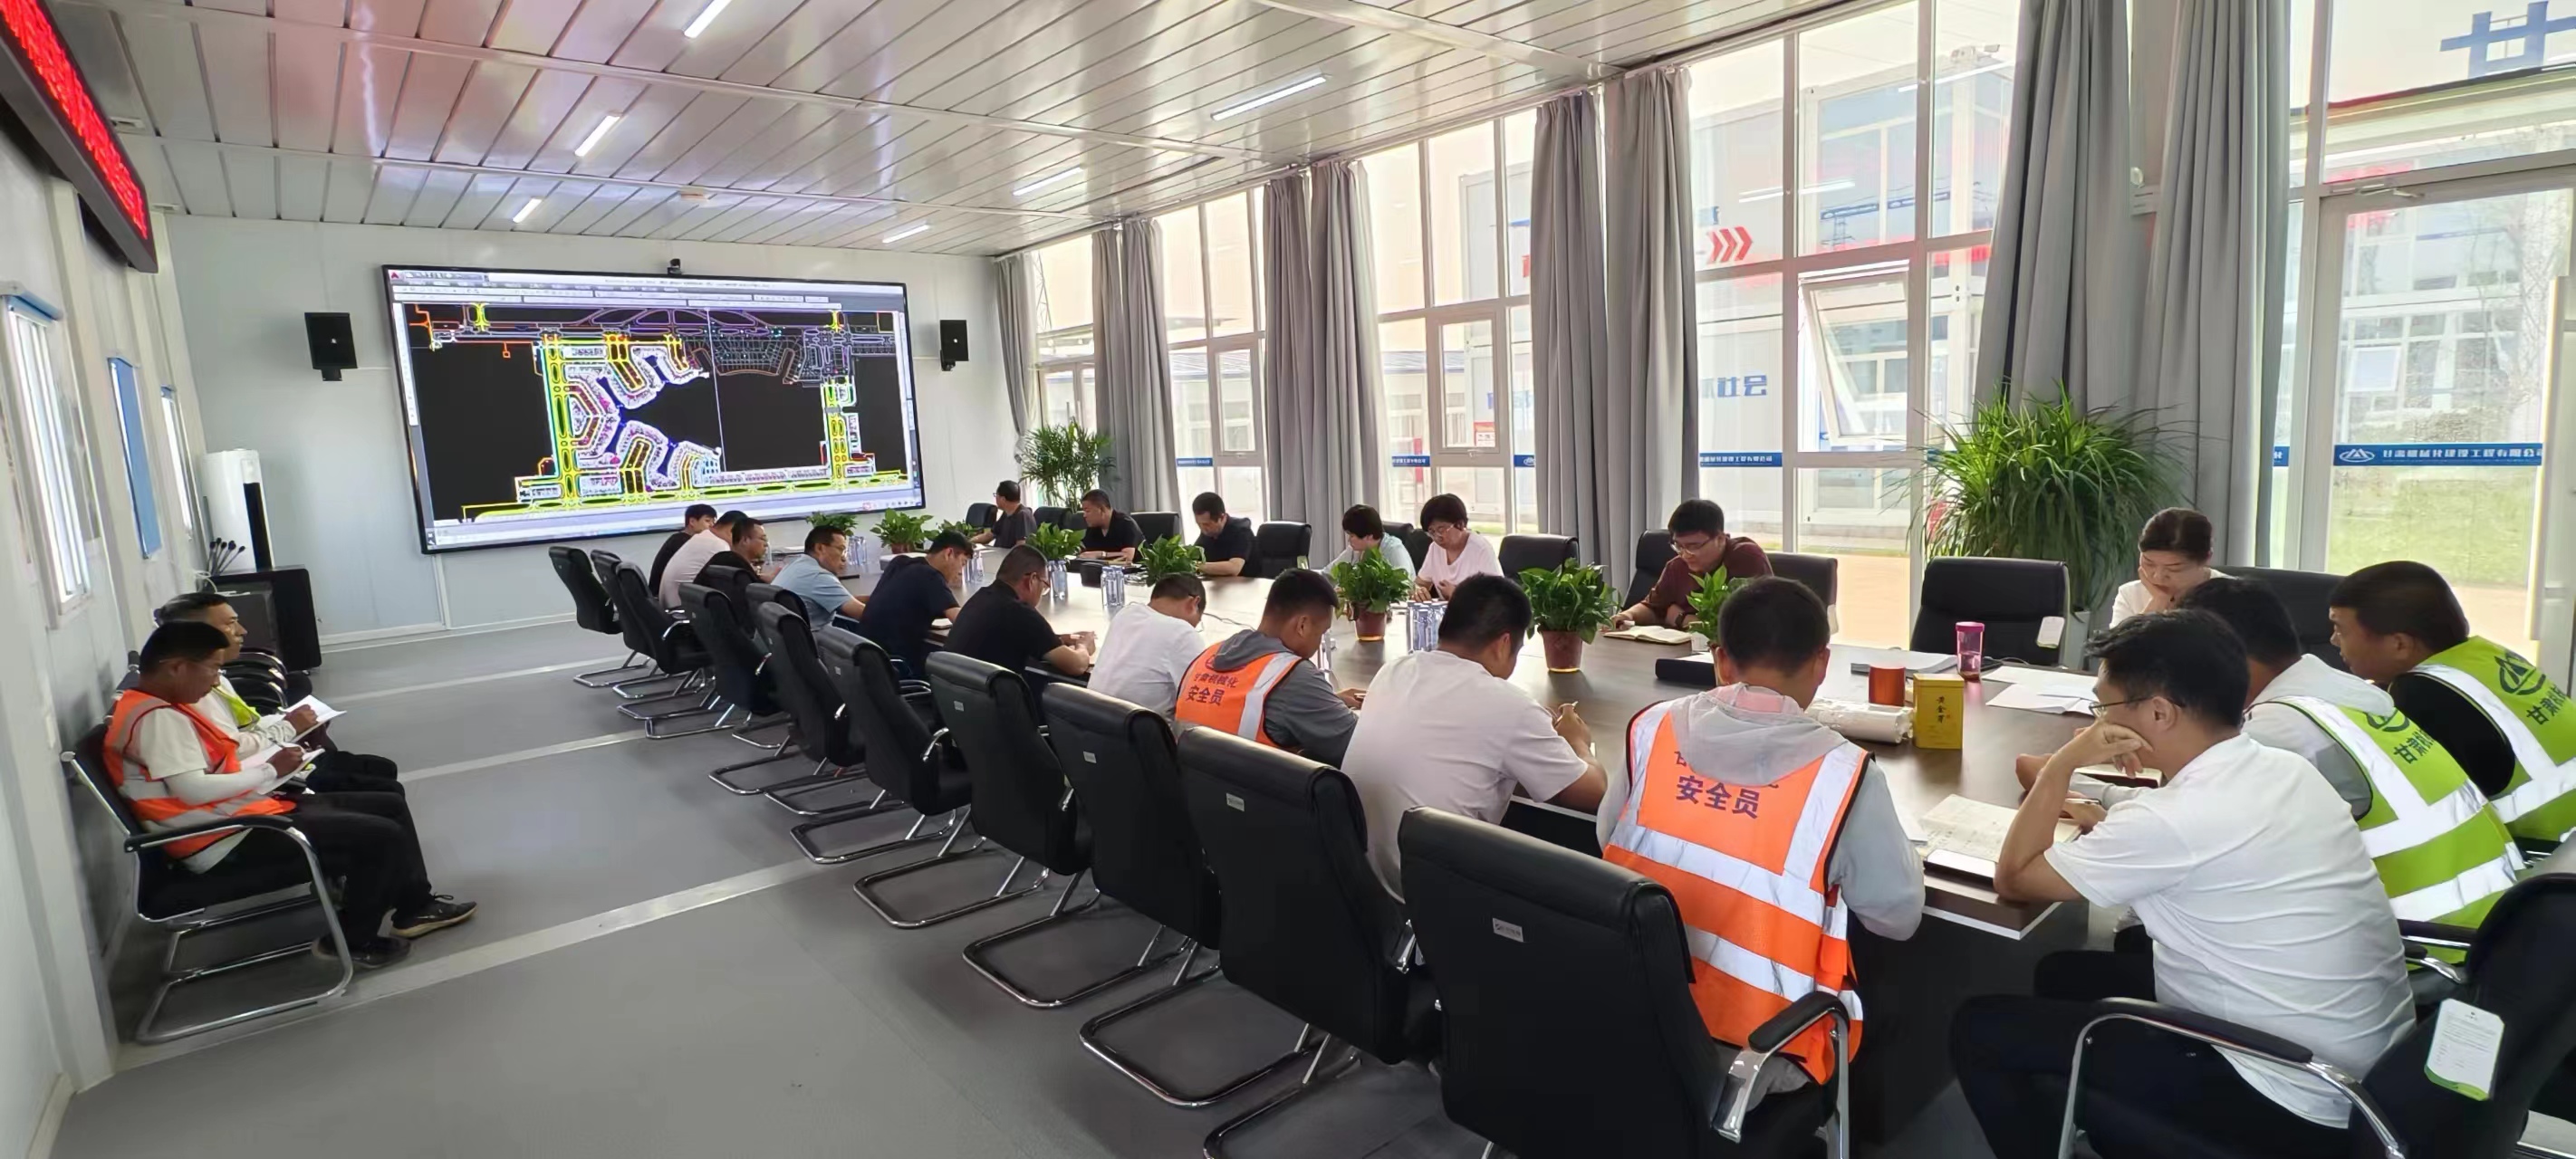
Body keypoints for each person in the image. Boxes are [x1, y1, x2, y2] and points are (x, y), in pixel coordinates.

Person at [1957, 611, 2412, 1159]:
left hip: (2285, 1091)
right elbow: (2193, 840)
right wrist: (2104, 814)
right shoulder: (2284, 769)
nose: (2099, 723)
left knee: (1978, 1027)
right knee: (2062, 973)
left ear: (2158, 712)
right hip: (2367, 1073)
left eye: (2103, 707)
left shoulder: (2172, 819)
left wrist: (2063, 764)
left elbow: (2014, 877)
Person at [1600, 578, 1921, 1103]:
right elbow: (1898, 917)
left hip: (1628, 1010)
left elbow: (1606, 838)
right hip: (1758, 1050)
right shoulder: (1843, 774)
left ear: (1721, 661)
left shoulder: (1651, 729)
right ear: (1822, 663)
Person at [105, 622, 476, 970]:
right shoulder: (159, 720)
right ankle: (352, 940)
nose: (216, 679)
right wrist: (271, 770)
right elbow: (192, 790)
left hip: (240, 814)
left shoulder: (155, 707)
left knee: (388, 804)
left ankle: (415, 906)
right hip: (223, 837)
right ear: (177, 668)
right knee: (382, 836)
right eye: (212, 669)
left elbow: (220, 757)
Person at [2170, 577, 2520, 933]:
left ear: (2223, 662)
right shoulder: (2343, 691)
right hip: (2497, 918)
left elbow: (2196, 844)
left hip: (2422, 936)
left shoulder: (2278, 730)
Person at [1345, 575, 1604, 897]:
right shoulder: (1508, 705)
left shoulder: (1392, 672)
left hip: (1361, 883)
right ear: (1504, 644)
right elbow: (1593, 794)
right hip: (1434, 894)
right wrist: (1576, 740)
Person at [2330, 560, 2576, 845]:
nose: (2333, 641)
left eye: (2341, 630)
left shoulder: (2421, 694)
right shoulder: (2486, 655)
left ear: (2400, 644)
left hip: (2541, 852)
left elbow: (2411, 803)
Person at [155, 592, 401, 797]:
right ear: (198, 634)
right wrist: (289, 728)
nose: (242, 631)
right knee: (384, 790)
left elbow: (243, 730)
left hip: (267, 757)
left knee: (380, 769)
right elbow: (230, 752)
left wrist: (291, 723)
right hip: (261, 777)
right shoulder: (191, 693)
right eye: (230, 624)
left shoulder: (213, 675)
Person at [1173, 568, 1363, 764]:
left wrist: (1325, 702)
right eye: (1321, 633)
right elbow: (1363, 750)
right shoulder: (1295, 677)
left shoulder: (1206, 656)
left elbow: (1241, 701)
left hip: (1192, 779)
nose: (1318, 644)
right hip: (1250, 783)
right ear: (1302, 625)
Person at [1610, 499, 1773, 629]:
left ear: (1720, 539)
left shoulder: (1746, 557)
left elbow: (1749, 624)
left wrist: (1682, 619)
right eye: (1679, 546)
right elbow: (1653, 607)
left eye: (1694, 546)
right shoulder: (1677, 566)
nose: (1685, 554)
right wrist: (1627, 616)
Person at [947, 545, 1094, 676]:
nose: (1042, 593)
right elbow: (1076, 665)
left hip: (952, 694)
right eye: (1044, 586)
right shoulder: (1020, 612)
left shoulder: (980, 598)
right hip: (992, 697)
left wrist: (1057, 639)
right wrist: (1084, 645)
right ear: (1032, 580)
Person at [1087, 574, 1210, 716]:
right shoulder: (1183, 633)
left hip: (1091, 719)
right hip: (1139, 727)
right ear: (1193, 603)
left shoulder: (1125, 614)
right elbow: (1199, 700)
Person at [853, 532, 968, 677]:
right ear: (949, 553)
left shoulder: (899, 563)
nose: (960, 571)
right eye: (962, 563)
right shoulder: (930, 576)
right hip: (898, 667)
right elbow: (962, 622)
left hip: (867, 661)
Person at [2105, 507, 2225, 627]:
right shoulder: (2130, 594)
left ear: (2206, 559)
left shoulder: (2231, 595)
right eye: (2149, 563)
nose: (2158, 576)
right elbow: (2117, 640)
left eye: (2173, 568)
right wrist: (2158, 602)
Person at [771, 525, 870, 627]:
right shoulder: (818, 576)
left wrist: (872, 599)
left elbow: (838, 599)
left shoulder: (794, 565)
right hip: (816, 635)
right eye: (841, 549)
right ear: (820, 548)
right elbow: (864, 614)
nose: (844, 558)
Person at [1411, 493, 1502, 599]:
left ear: (1460, 524)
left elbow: (1497, 596)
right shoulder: (1435, 548)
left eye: (1441, 530)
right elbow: (1420, 583)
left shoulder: (1481, 549)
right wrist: (1418, 591)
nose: (1437, 537)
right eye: (1432, 532)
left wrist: (1458, 594)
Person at [658, 509, 746, 607]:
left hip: (670, 602)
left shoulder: (703, 536)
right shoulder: (719, 545)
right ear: (732, 531)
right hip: (681, 606)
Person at [1327, 504, 1414, 582]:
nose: (1349, 540)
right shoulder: (1355, 549)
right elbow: (1328, 574)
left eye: (1352, 536)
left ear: (1369, 536)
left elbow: (1403, 586)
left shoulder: (1394, 551)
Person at [648, 503, 718, 598]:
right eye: (707, 521)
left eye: (713, 521)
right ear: (692, 521)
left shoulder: (680, 538)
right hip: (663, 596)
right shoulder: (683, 542)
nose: (712, 525)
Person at [1189, 492, 1255, 577]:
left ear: (1222, 517)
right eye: (1199, 524)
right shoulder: (1207, 533)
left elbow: (1234, 568)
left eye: (1207, 524)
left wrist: (1196, 566)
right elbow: (1193, 558)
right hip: (1220, 583)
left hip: (1247, 583)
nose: (1203, 529)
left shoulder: (1241, 531)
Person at [1076, 489, 1144, 563]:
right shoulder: (1093, 527)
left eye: (1087, 511)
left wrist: (1101, 554)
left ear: (1102, 509)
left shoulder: (1126, 524)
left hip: (1136, 569)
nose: (1084, 515)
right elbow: (1086, 553)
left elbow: (1127, 557)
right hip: (1103, 569)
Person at [702, 515, 774, 584]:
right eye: (763, 539)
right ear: (745, 540)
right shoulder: (739, 571)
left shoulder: (721, 558)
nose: (766, 544)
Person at [975, 480, 1037, 549]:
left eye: (996, 495)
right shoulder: (1006, 513)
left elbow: (1021, 547)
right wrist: (969, 543)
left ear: (1003, 499)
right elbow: (989, 535)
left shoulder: (1023, 515)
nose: (995, 498)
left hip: (1009, 555)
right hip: (998, 553)